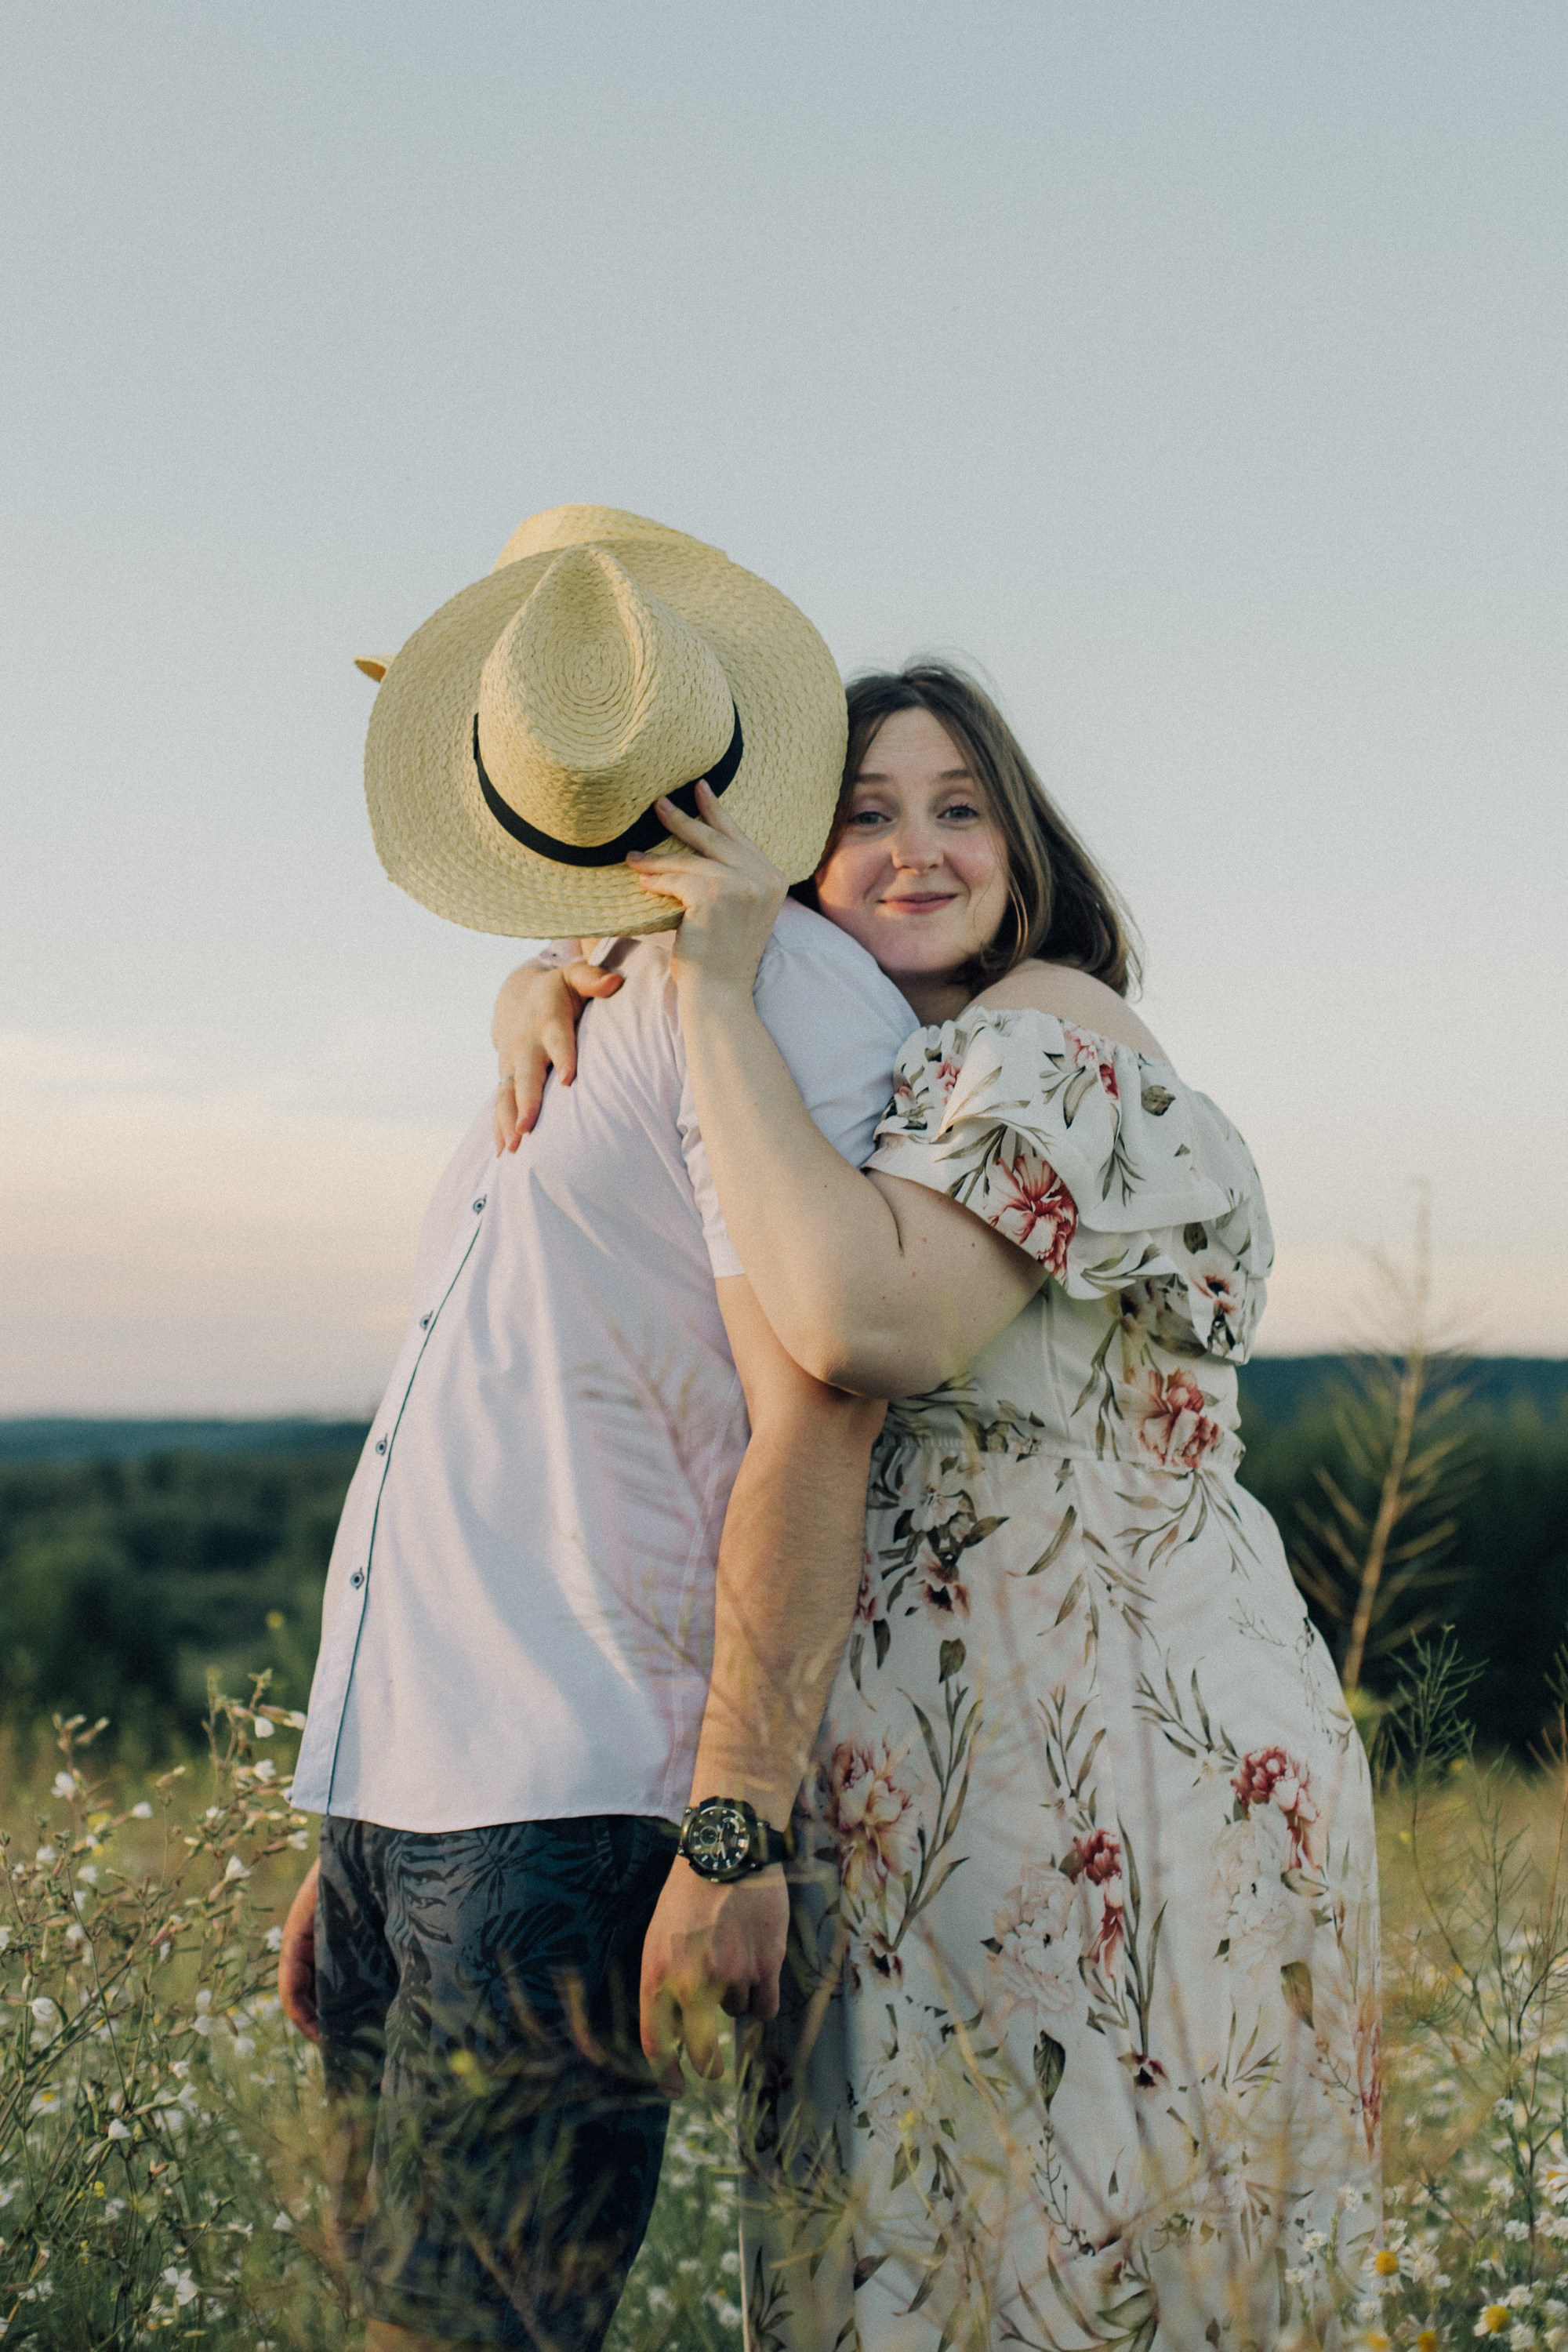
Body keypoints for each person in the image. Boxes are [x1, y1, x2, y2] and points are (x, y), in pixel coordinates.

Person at [493, 662, 1381, 2350]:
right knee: (915, 2255)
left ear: (1024, 844)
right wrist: (578, 990)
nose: (917, 848)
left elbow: (863, 1322)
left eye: (960, 807)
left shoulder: (1050, 1027)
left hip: (1119, 1745)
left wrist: (712, 996)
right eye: (865, 815)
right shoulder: (891, 1072)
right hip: (918, 1774)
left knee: (1103, 2261)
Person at [276, 505, 923, 2352]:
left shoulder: (780, 997)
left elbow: (815, 1420)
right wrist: (347, 1818)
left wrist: (730, 1832)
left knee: (474, 2333)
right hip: (416, 1802)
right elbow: (474, 1427)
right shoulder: (579, 1000)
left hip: (564, 1804)